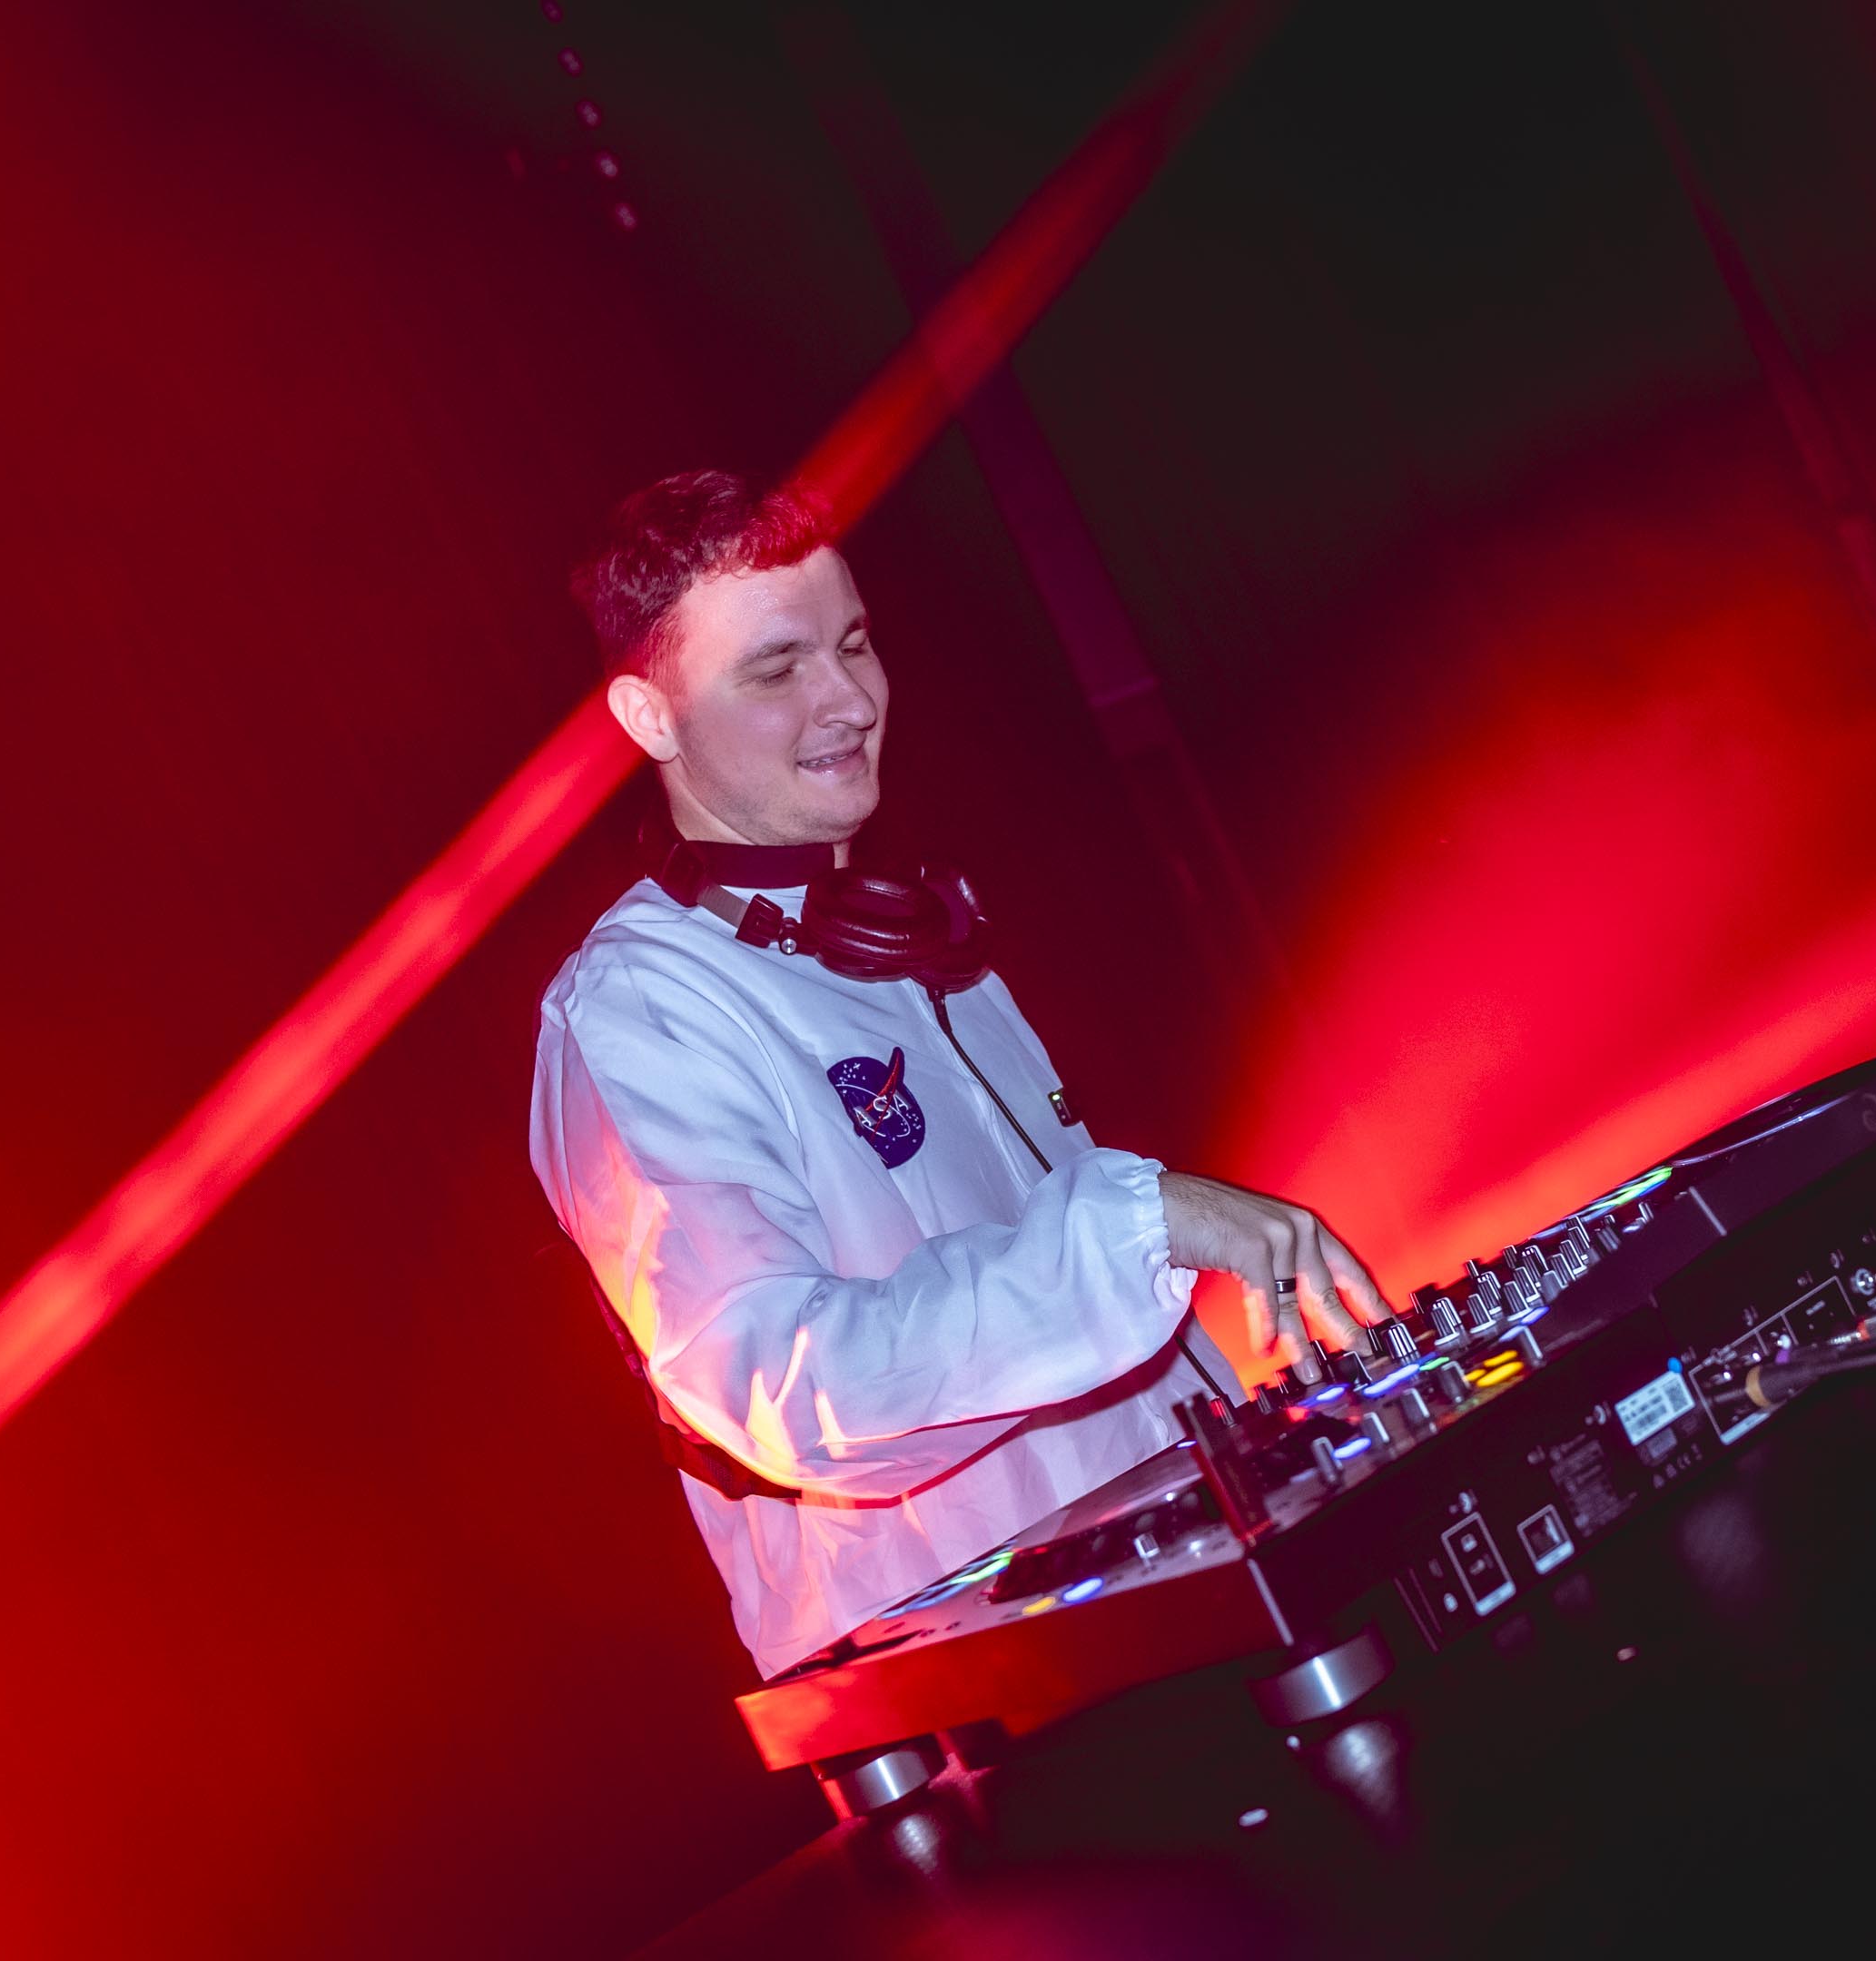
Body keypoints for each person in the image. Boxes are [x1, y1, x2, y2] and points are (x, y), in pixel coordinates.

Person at [528, 469, 1390, 1678]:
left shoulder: (906, 932)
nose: (849, 700)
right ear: (650, 718)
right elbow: (789, 1384)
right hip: (976, 1665)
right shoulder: (639, 1010)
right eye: (776, 670)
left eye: (854, 644)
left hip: (1174, 1565)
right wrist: (1143, 1222)